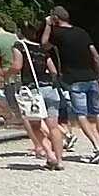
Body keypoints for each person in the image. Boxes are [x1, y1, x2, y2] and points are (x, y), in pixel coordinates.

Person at [45, 6, 99, 160]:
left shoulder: (58, 34)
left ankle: (97, 147)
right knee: (98, 113)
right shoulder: (82, 32)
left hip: (74, 79)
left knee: (82, 115)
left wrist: (48, 25)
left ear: (55, 18)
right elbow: (96, 56)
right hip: (91, 77)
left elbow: (44, 44)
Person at [12, 21, 68, 168]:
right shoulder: (42, 49)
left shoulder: (19, 46)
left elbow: (17, 66)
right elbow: (54, 71)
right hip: (50, 88)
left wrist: (6, 73)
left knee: (35, 125)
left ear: (20, 32)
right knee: (54, 126)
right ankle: (60, 160)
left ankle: (50, 155)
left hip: (33, 90)